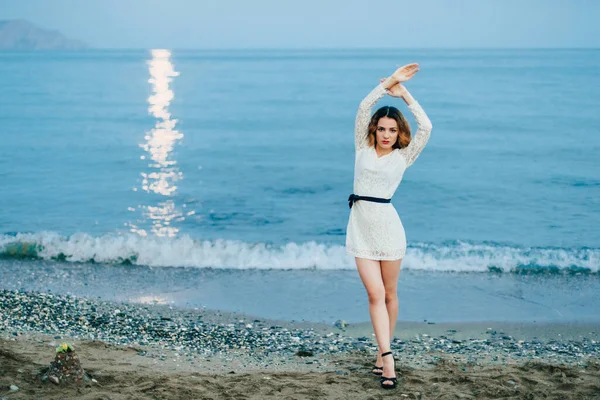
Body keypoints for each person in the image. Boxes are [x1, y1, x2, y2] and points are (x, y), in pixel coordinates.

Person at [346, 63, 432, 389]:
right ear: (373, 130)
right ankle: (389, 357)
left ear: (399, 133)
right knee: (375, 293)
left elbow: (427, 126)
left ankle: (382, 355)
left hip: (390, 229)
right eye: (381, 129)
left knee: (390, 294)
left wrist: (404, 93)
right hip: (360, 229)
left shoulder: (404, 157)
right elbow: (363, 106)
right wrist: (388, 83)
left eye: (392, 130)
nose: (386, 135)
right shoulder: (361, 147)